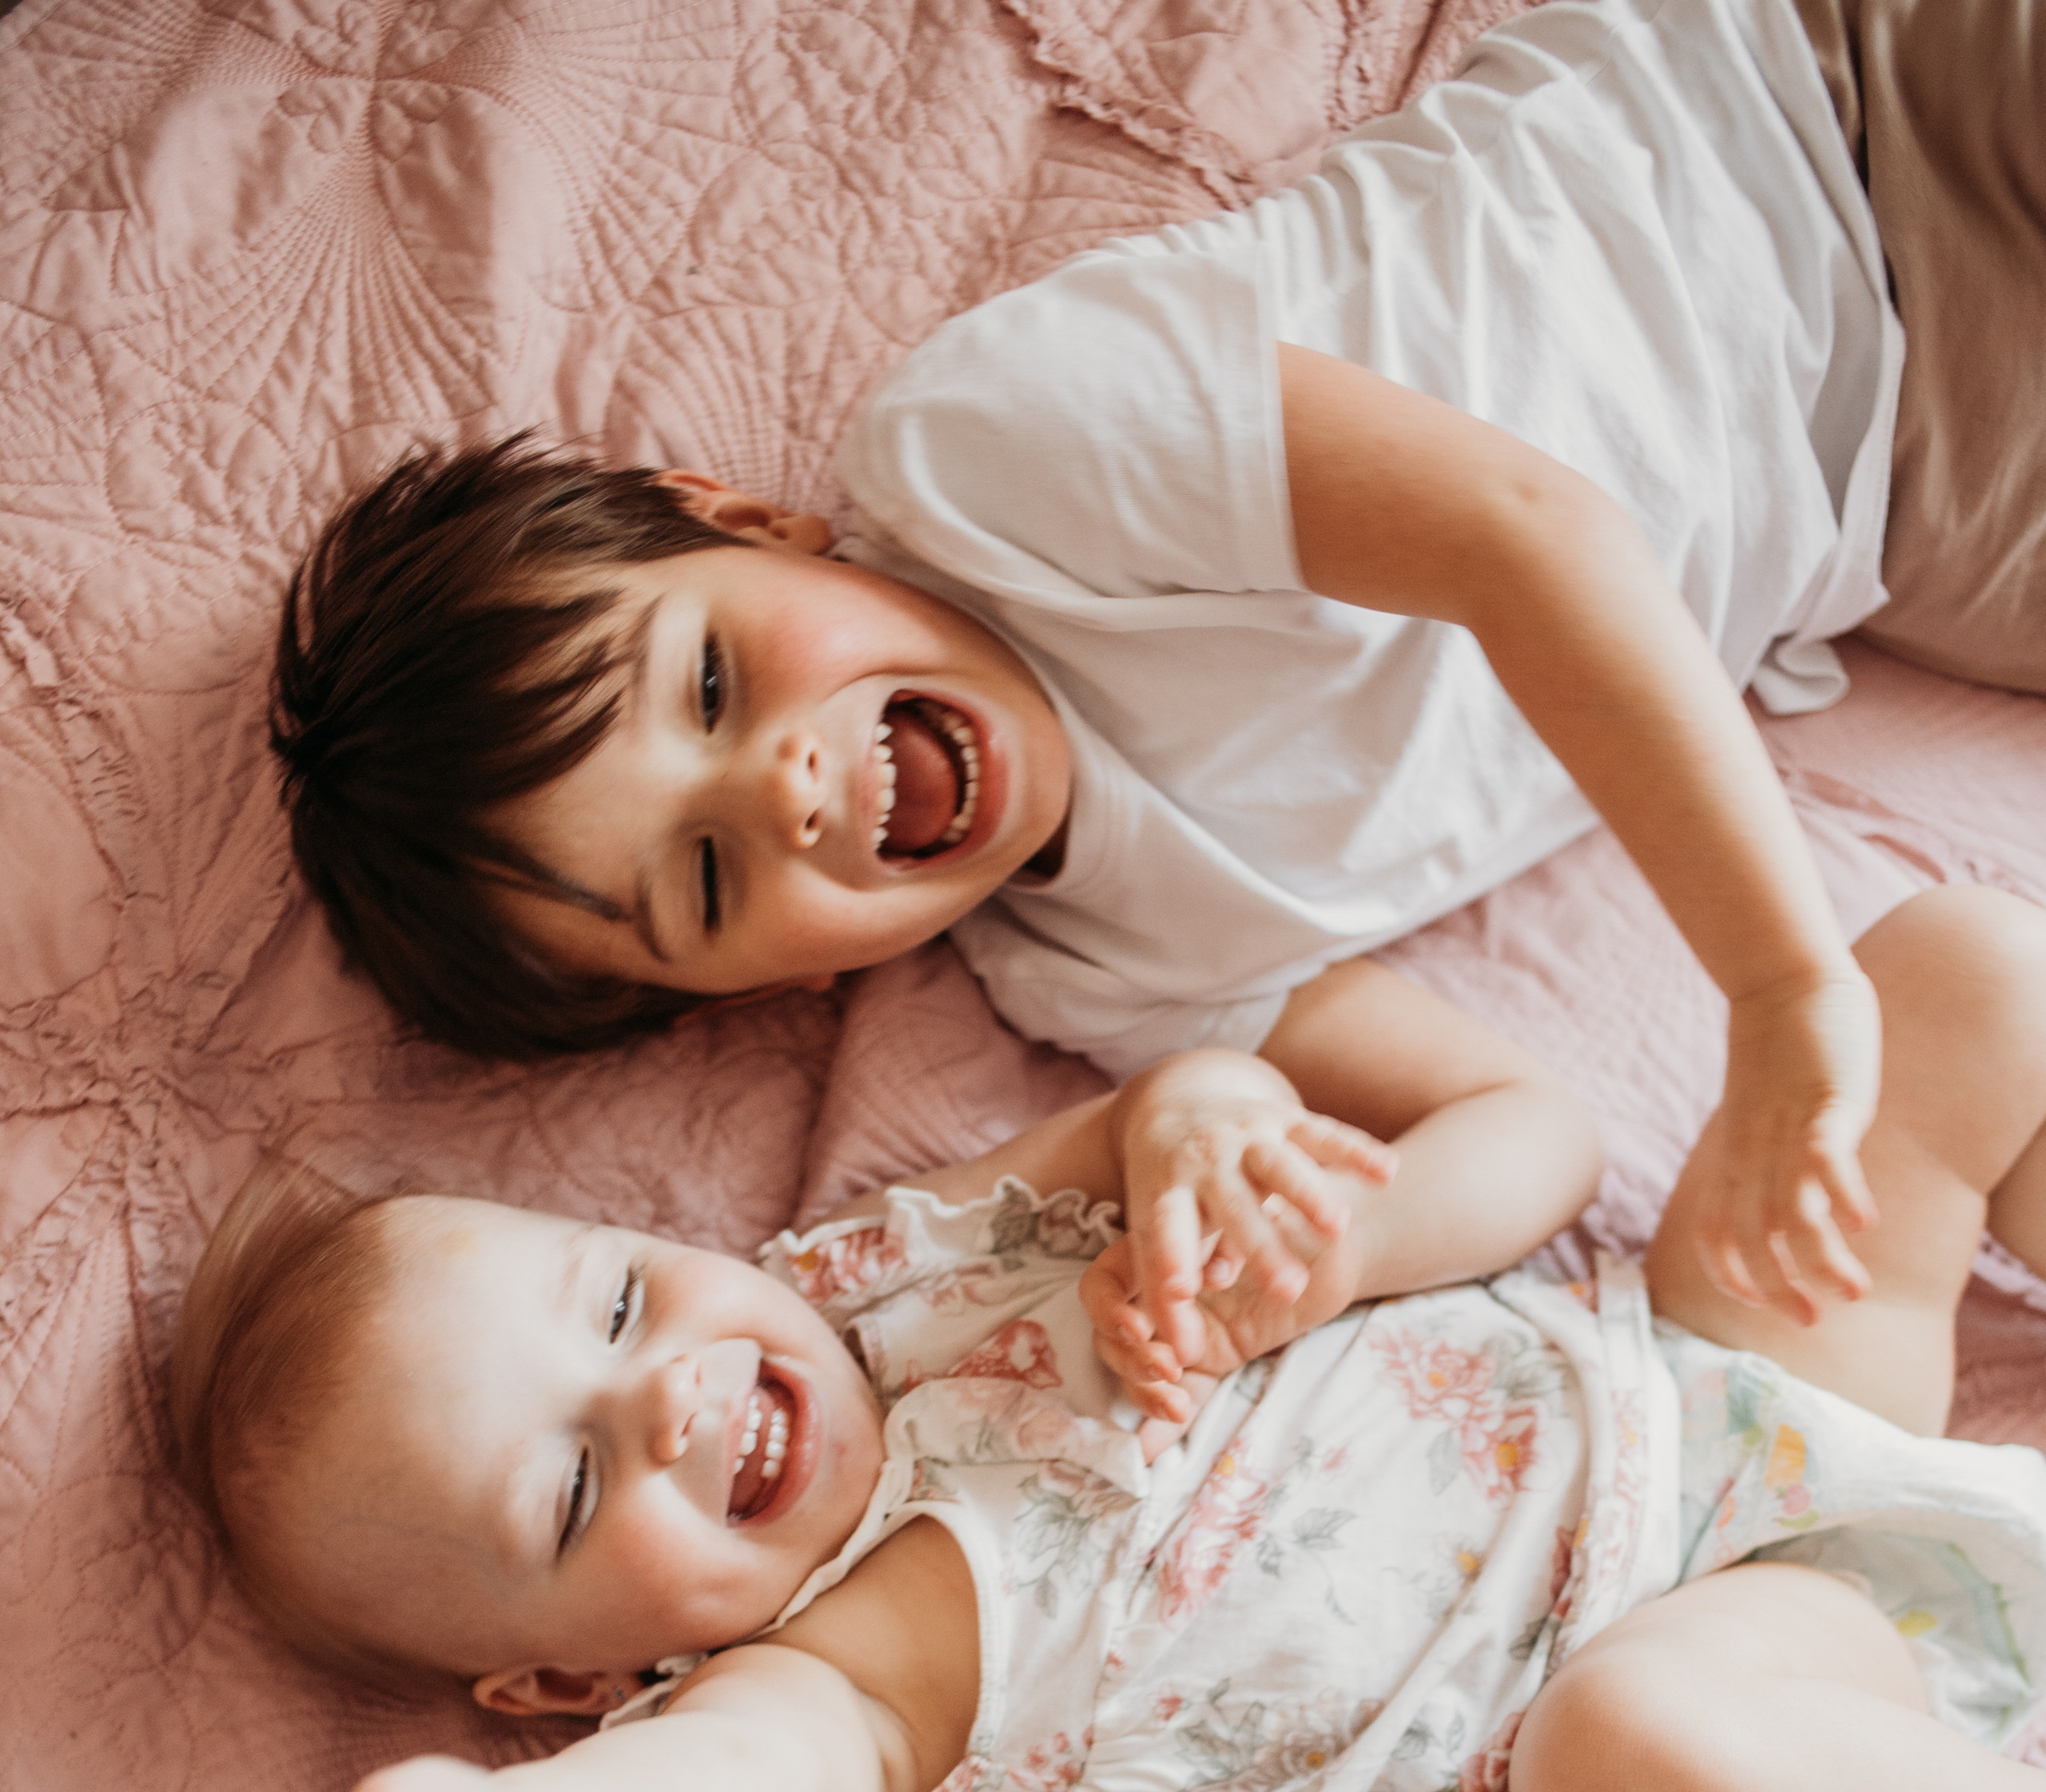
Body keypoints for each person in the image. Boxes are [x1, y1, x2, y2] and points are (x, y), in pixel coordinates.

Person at [265, 0, 2046, 1346]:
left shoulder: (983, 456)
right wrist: (1339, 1240)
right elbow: (1526, 1130)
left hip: (1822, 119)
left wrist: (1777, 991)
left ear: (733, 518)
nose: (786, 790)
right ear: (763, 995)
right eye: (709, 879)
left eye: (713, 688)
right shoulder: (1110, 973)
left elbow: (1533, 535)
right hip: (1903, 489)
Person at [173, 882, 2046, 1792]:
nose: (655, 1402)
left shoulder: (883, 1268)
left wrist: (1253, 1163)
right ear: (575, 1685)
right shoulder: (824, 1692)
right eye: (574, 1496)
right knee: (1630, 1770)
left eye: (610, 1299)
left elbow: (1460, 1130)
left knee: (1956, 977)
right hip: (1716, 1699)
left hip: (1707, 1377)